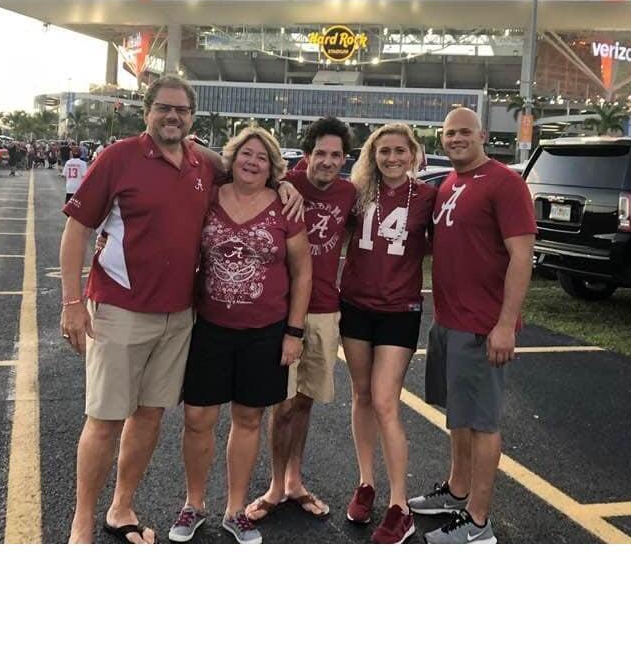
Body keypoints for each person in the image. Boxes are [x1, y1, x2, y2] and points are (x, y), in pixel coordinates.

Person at [60, 76, 303, 544]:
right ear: (146, 111)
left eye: (182, 110)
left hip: (180, 317)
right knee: (105, 418)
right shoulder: (118, 158)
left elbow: (251, 168)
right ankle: (81, 524)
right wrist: (72, 302)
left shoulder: (201, 162)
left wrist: (285, 181)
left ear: (192, 118)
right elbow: (76, 231)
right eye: (163, 108)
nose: (172, 116)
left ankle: (121, 507)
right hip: (120, 308)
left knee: (149, 416)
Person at [169, 127, 311, 544]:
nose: (253, 162)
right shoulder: (211, 196)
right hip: (210, 327)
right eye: (246, 154)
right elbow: (190, 149)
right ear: (233, 159)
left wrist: (294, 332)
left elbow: (303, 272)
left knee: (248, 419)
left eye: (262, 157)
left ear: (273, 167)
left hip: (264, 330)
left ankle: (235, 509)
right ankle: (194, 504)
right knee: (197, 418)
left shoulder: (285, 206)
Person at [413, 107, 536, 544]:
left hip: (484, 324)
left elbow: (522, 257)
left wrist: (505, 325)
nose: (457, 139)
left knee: (483, 421)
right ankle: (457, 489)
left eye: (465, 131)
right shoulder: (449, 182)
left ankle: (479, 523)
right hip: (448, 319)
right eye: (449, 133)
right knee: (459, 415)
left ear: (482, 134)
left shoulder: (506, 183)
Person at [245, 117, 355, 523]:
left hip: (326, 308)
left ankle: (294, 480)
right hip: (283, 309)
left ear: (345, 158)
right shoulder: (282, 184)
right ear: (306, 155)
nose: (327, 162)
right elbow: (219, 162)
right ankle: (275, 485)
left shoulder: (348, 193)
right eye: (320, 154)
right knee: (283, 403)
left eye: (336, 155)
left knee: (305, 401)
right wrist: (284, 181)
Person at [339, 123, 437, 544]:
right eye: (384, 152)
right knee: (361, 395)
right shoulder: (356, 192)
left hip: (399, 308)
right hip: (356, 304)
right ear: (372, 155)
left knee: (385, 402)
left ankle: (401, 505)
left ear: (413, 153)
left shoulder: (429, 197)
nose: (392, 158)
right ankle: (366, 481)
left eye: (400, 150)